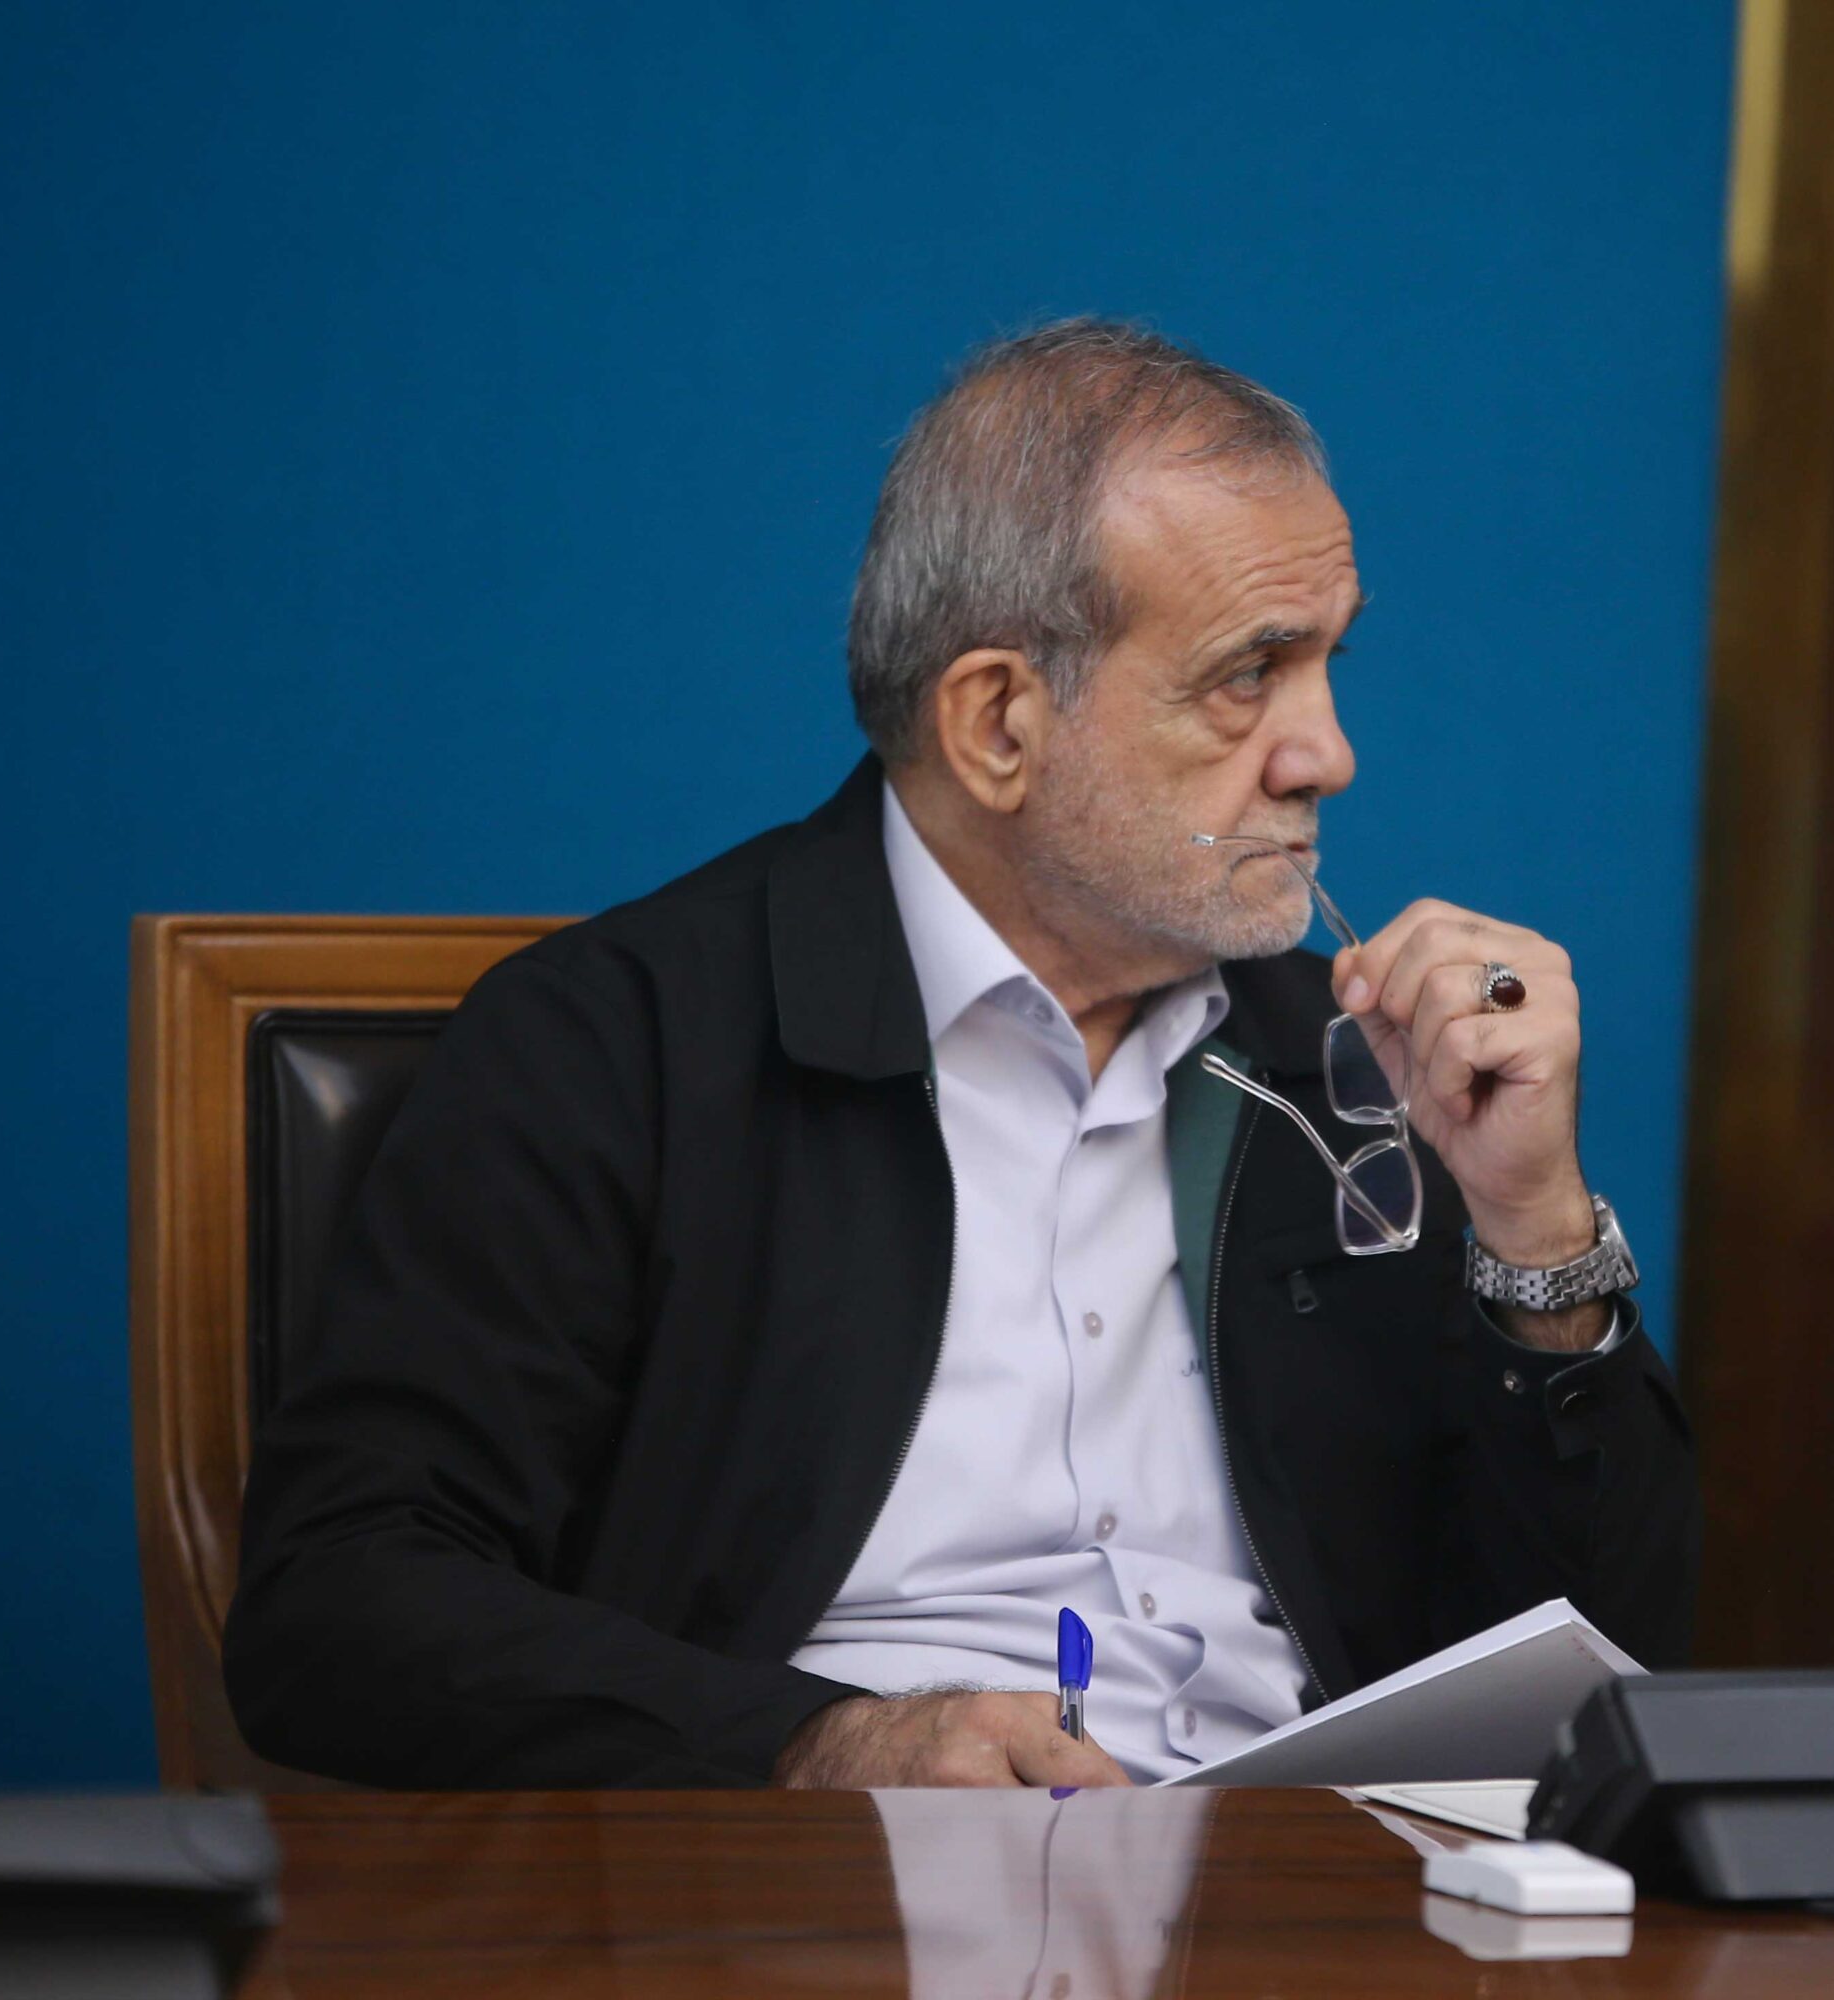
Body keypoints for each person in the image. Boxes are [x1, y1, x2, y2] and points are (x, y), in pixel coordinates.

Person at [222, 320, 1698, 1789]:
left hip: (1308, 1864)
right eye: (1250, 673)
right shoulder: (611, 1045)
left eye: (1328, 660)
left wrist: (1534, 1233)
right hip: (837, 1874)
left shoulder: (1358, 1063)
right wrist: (817, 1745)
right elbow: (339, 1606)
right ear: (998, 725)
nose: (1329, 753)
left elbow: (1614, 1662)